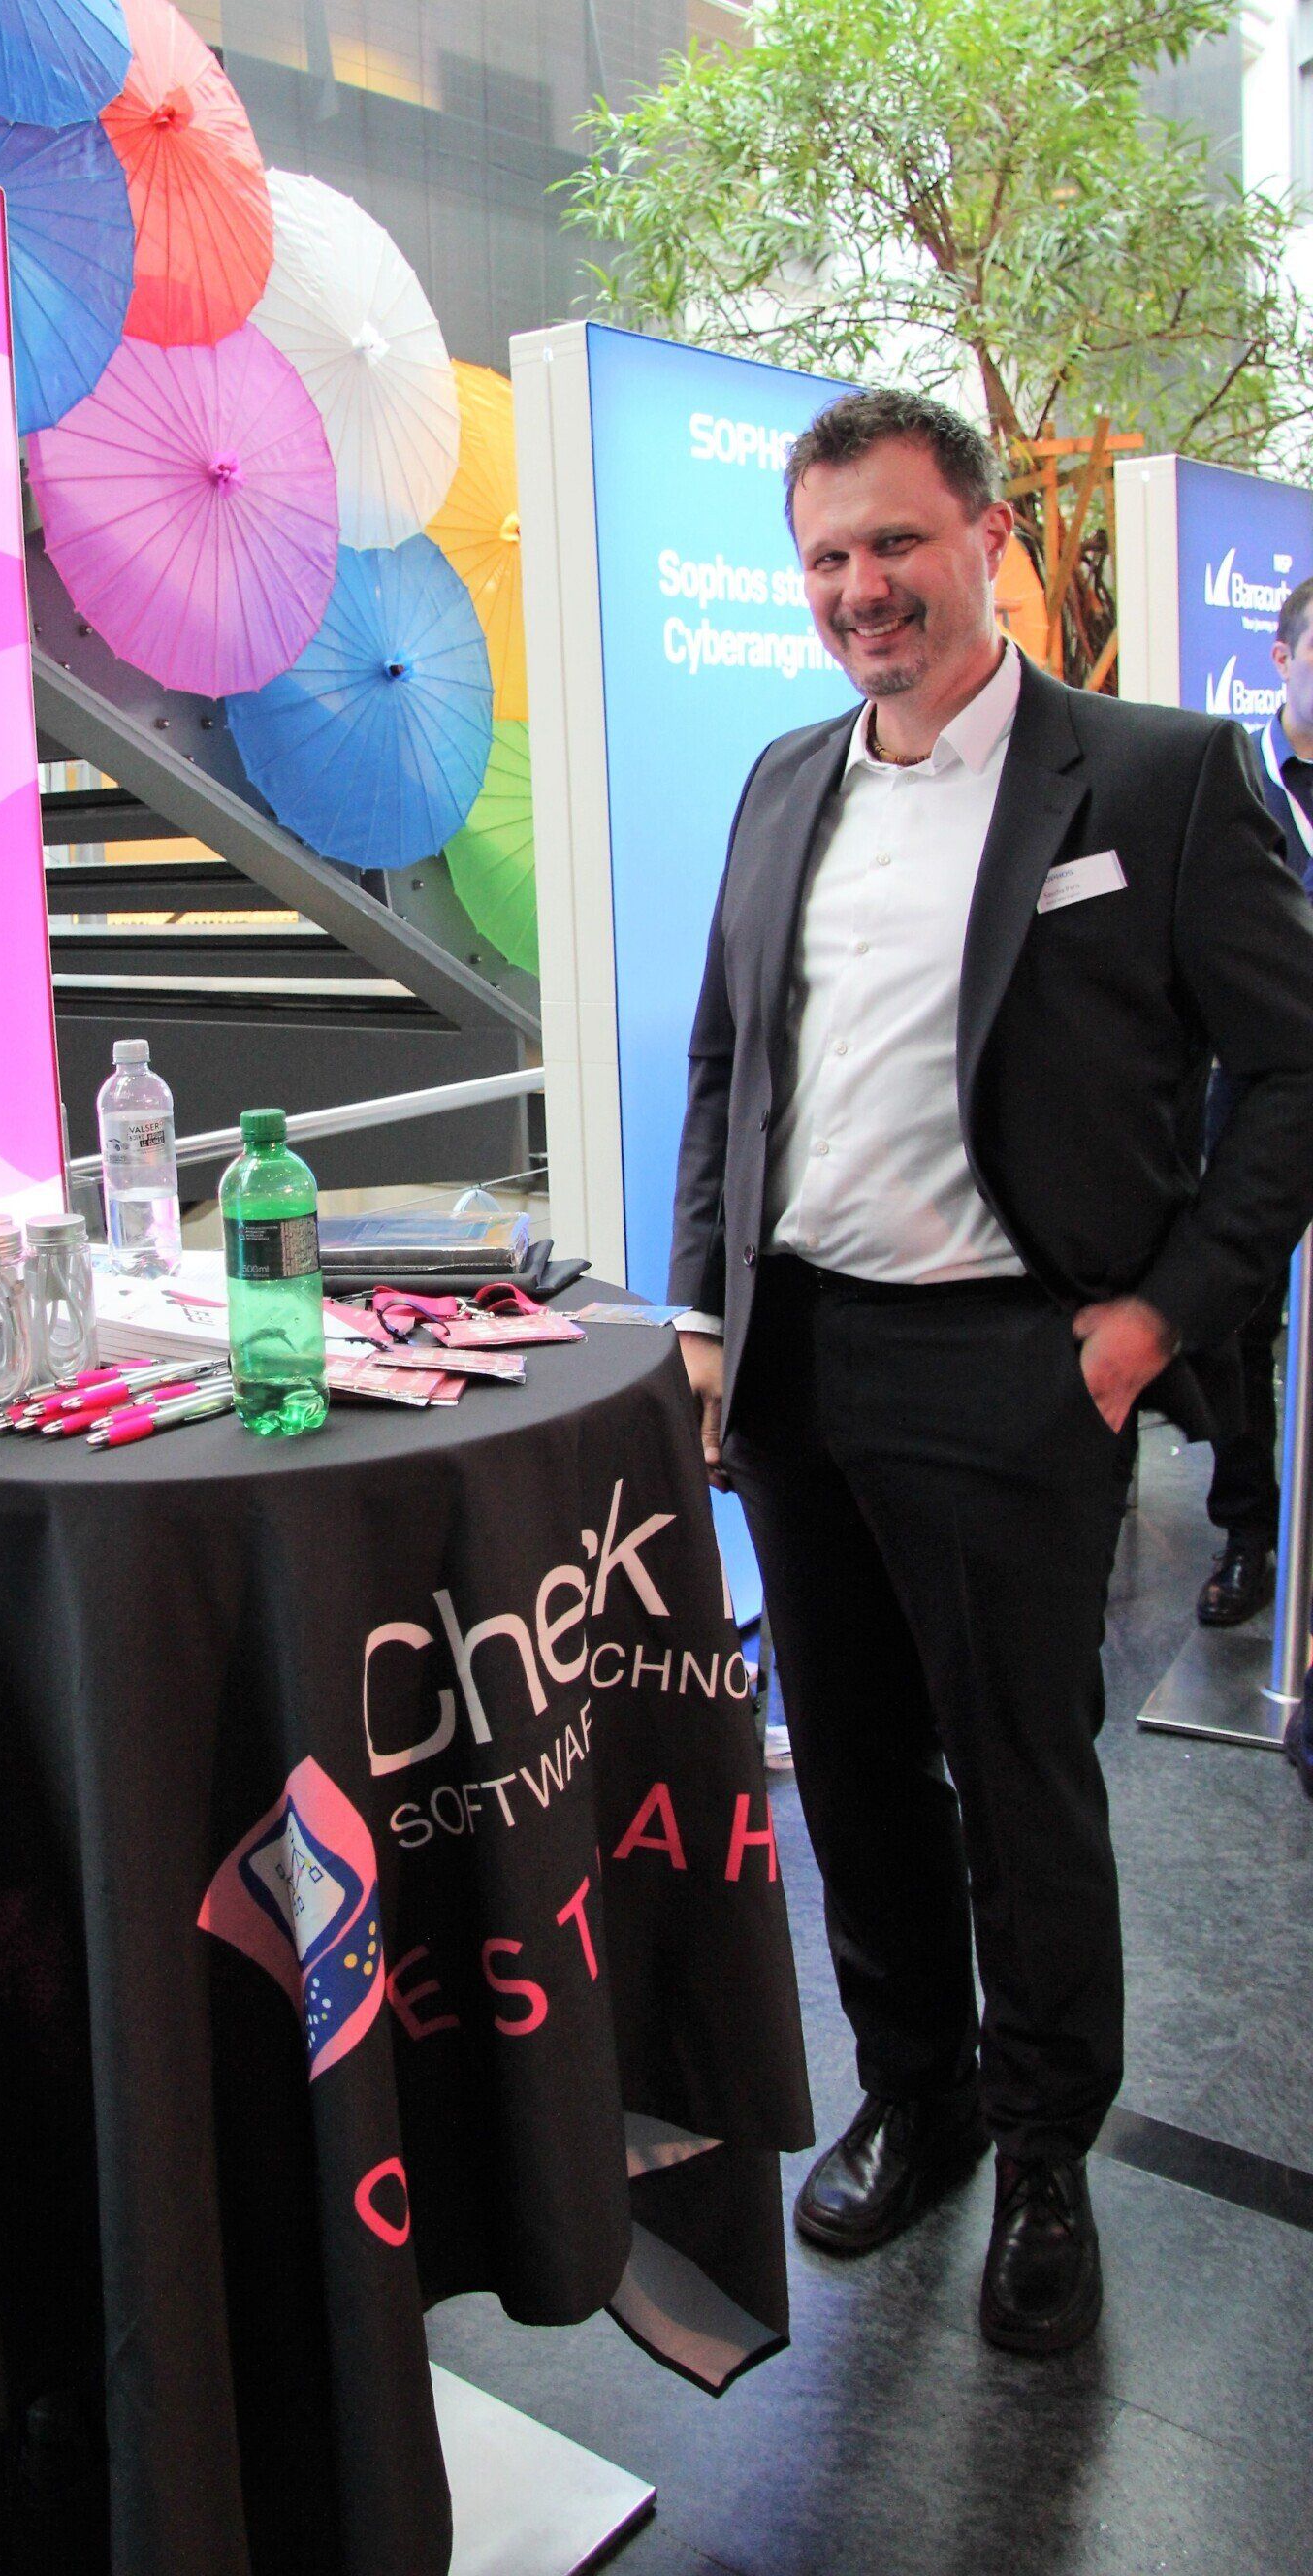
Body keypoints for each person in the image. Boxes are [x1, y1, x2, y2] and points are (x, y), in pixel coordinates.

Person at [670, 392, 1313, 2356]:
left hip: (1017, 1363)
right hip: (802, 1360)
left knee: (1023, 1784)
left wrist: (1155, 1322)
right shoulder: (784, 780)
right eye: (828, 557)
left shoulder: (1160, 778)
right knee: (856, 1767)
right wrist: (703, 1314)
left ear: (989, 539)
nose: (863, 588)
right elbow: (727, 1063)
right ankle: (920, 2099)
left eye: (896, 543)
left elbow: (1295, 1068)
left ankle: (1046, 2153)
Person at [1195, 573, 1313, 1630]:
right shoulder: (1227, 779)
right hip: (1252, 1103)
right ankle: (1250, 1531)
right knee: (1238, 1329)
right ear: (1281, 658)